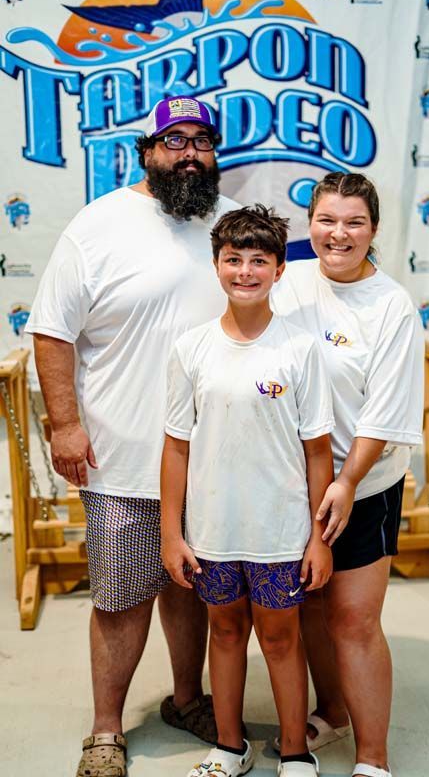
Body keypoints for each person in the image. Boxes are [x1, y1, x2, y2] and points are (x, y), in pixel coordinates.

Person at [25, 96, 240, 777]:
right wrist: (63, 424)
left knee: (190, 588)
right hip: (121, 456)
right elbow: (52, 329)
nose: (190, 153)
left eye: (202, 140)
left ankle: (185, 699)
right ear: (147, 149)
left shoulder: (227, 221)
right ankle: (106, 730)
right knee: (120, 597)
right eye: (174, 140)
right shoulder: (100, 224)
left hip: (209, 460)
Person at [160, 205, 337, 777]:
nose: (244, 271)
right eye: (233, 259)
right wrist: (171, 533)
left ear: (280, 269)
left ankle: (294, 751)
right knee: (226, 629)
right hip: (212, 529)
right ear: (216, 265)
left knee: (282, 638)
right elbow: (176, 447)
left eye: (258, 260)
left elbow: (317, 452)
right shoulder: (191, 349)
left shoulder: (302, 349)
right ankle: (229, 748)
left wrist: (319, 539)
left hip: (280, 531)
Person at [271, 172, 425, 777]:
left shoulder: (391, 306)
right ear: (309, 223)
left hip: (365, 482)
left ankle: (373, 760)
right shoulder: (288, 283)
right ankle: (331, 710)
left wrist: (346, 482)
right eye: (327, 220)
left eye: (354, 222)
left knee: (354, 620)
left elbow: (384, 414)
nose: (339, 234)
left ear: (374, 230)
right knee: (310, 605)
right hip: (291, 480)